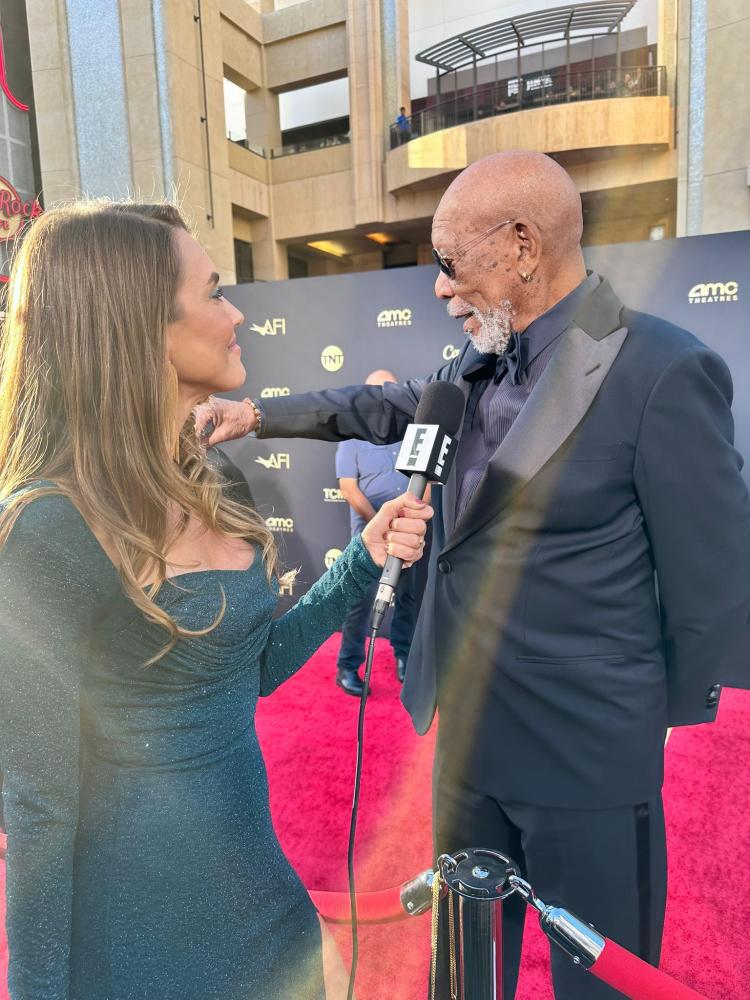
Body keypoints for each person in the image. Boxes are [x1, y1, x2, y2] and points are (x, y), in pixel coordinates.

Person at [195, 150, 750, 1000]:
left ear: (523, 246)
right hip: (463, 747)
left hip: (590, 759)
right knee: (463, 971)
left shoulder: (661, 370)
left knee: (603, 983)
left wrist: (636, 718)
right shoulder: (468, 368)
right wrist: (259, 413)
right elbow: (376, 407)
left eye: (451, 262)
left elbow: (711, 579)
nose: (440, 288)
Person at [0, 200, 432, 1000]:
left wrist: (361, 563)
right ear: (139, 326)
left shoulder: (207, 474)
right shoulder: (46, 528)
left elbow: (254, 667)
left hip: (265, 900)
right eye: (213, 292)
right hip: (143, 937)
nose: (237, 313)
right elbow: (36, 811)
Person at [335, 369, 419, 695]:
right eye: (376, 391)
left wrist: (404, 522)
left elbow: (425, 485)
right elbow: (348, 488)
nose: (384, 396)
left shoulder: (412, 434)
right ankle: (347, 666)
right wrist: (379, 524)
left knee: (409, 600)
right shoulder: (352, 437)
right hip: (368, 539)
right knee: (360, 603)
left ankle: (405, 658)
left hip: (409, 534)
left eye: (390, 390)